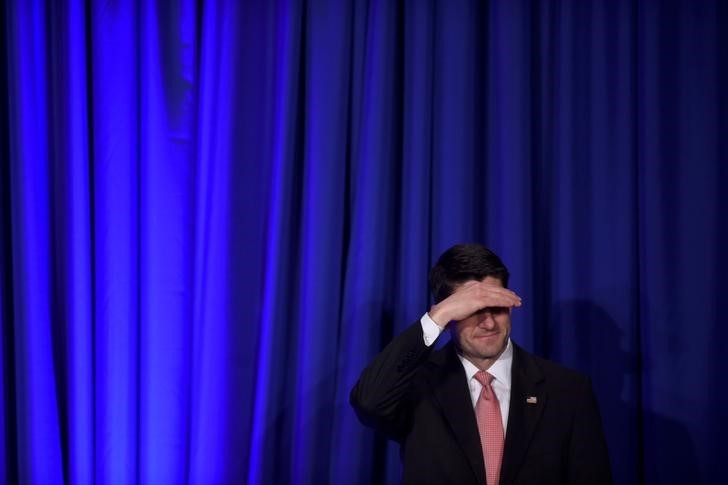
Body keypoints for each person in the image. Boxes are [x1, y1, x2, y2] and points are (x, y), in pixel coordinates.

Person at [350, 244, 612, 484]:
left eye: (497, 307)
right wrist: (436, 317)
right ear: (449, 314)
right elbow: (369, 401)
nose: (489, 323)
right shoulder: (417, 386)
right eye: (473, 310)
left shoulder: (567, 390)